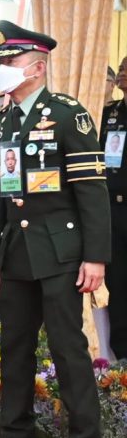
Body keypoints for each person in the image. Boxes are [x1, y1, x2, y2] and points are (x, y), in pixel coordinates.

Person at [0, 20, 110, 438]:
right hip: (15, 251)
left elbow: (92, 190)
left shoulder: (67, 113)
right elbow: (3, 194)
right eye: (0, 63)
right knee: (14, 348)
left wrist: (95, 257)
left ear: (36, 66)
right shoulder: (3, 121)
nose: (2, 70)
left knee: (67, 346)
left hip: (60, 249)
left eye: (8, 62)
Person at [100, 55, 127, 362]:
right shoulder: (109, 113)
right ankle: (121, 355)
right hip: (112, 208)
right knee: (116, 282)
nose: (121, 73)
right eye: (120, 68)